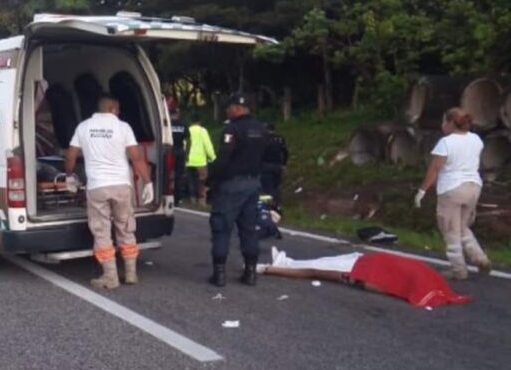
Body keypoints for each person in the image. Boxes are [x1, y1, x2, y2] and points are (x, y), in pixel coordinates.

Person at [65, 95, 154, 290]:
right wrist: (148, 182)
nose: (120, 112)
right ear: (113, 108)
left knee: (102, 230)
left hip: (97, 186)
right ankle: (131, 273)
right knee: (125, 227)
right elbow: (136, 157)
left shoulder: (84, 127)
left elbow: (71, 155)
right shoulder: (123, 127)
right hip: (122, 185)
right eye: (119, 109)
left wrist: (69, 176)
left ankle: (110, 277)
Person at [414, 107, 492, 280]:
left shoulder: (446, 142)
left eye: (444, 121)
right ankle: (480, 258)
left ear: (450, 123)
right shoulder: (476, 139)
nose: (442, 125)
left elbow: (435, 168)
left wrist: (422, 190)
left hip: (452, 189)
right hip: (473, 187)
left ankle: (459, 270)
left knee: (450, 230)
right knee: (462, 226)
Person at [259, 247, 471, 308]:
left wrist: (359, 281)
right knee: (320, 266)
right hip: (365, 265)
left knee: (319, 267)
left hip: (364, 266)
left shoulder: (428, 281)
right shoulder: (429, 284)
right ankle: (283, 263)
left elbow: (385, 285)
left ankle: (276, 266)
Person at [206, 93, 268, 287]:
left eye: (230, 107)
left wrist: (210, 179)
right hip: (253, 184)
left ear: (238, 108)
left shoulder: (232, 129)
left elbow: (224, 158)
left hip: (232, 185)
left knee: (221, 228)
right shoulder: (261, 129)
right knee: (249, 229)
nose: (227, 110)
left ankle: (219, 274)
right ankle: (250, 273)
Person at [187, 113, 216, 205]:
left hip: (188, 161)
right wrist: (213, 157)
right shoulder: (202, 131)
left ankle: (192, 200)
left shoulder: (188, 130)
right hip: (200, 162)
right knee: (201, 182)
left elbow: (185, 144)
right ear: (200, 121)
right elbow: (208, 145)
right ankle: (201, 201)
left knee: (191, 181)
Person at [260, 123, 288, 207]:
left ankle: (268, 206)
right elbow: (285, 153)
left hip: (265, 167)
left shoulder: (262, 139)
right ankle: (278, 204)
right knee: (277, 185)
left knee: (267, 188)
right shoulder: (279, 139)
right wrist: (283, 164)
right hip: (277, 166)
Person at [170, 108, 189, 205]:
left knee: (168, 174)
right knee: (179, 175)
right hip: (180, 151)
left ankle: (168, 195)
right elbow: (188, 139)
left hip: (169, 150)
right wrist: (187, 153)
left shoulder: (167, 124)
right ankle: (178, 198)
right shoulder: (183, 124)